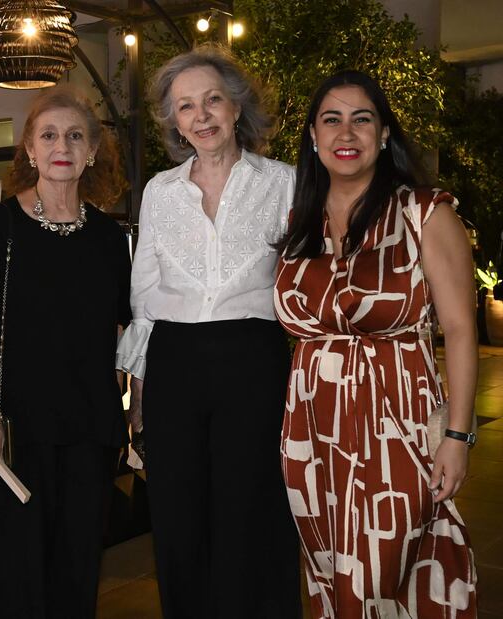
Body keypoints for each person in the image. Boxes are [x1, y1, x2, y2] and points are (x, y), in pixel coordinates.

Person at [274, 70, 478, 616]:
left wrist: (457, 434)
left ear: (384, 133)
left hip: (396, 424)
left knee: (393, 571)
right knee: (329, 574)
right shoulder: (300, 223)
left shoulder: (424, 212)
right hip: (313, 430)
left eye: (362, 119)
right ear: (314, 138)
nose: (347, 133)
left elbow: (459, 328)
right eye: (331, 120)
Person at [115, 45, 301, 618]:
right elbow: (144, 297)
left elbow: (303, 277)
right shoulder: (160, 193)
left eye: (213, 100)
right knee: (178, 512)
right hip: (175, 360)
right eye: (186, 106)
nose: (202, 115)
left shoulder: (286, 182)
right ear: (174, 120)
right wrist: (139, 391)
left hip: (254, 357)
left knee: (251, 508)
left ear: (236, 106)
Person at [0, 87, 131, 618]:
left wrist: (132, 402)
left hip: (89, 432)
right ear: (29, 150)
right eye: (49, 135)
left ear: (93, 151)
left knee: (77, 579)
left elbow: (126, 328)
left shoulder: (108, 236)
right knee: (17, 581)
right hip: (14, 434)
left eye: (75, 136)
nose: (63, 146)